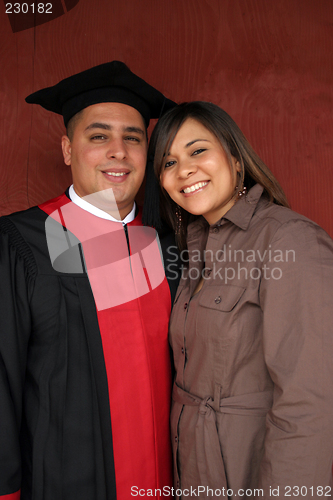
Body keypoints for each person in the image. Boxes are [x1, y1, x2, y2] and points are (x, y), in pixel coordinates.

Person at [0, 61, 179, 500]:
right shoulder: (22, 243)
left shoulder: (171, 246)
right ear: (67, 149)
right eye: (98, 136)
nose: (118, 151)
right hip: (63, 484)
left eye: (132, 139)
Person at [147, 101, 333, 499]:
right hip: (191, 469)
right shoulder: (190, 248)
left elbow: (310, 403)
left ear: (234, 158)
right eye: (168, 162)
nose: (184, 171)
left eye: (198, 151)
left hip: (249, 468)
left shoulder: (290, 240)